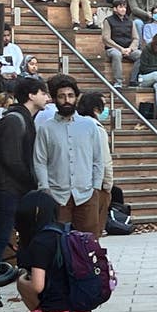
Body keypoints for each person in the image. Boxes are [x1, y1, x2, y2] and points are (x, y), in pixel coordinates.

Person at [0, 77, 49, 274]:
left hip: (16, 188)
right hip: (7, 188)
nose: (47, 97)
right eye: (43, 93)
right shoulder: (14, 120)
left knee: (20, 234)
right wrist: (31, 179)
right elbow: (10, 158)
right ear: (31, 95)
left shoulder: (25, 119)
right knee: (2, 236)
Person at [34, 74, 104, 235]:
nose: (66, 100)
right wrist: (45, 189)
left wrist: (96, 187)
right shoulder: (46, 128)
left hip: (87, 194)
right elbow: (40, 160)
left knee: (89, 245)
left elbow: (98, 159)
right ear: (55, 99)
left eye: (70, 96)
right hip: (57, 195)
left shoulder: (89, 125)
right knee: (57, 244)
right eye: (62, 96)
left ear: (76, 98)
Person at [75, 92, 114, 237]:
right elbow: (104, 159)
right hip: (96, 185)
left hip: (78, 183)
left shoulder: (75, 124)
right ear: (95, 108)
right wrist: (108, 183)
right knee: (93, 230)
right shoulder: (96, 128)